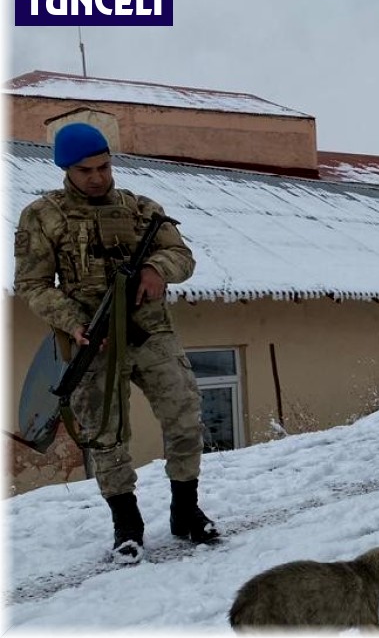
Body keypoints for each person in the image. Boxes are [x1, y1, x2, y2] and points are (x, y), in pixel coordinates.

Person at [13, 123, 219, 564]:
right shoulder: (42, 216)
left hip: (150, 331)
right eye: (85, 170)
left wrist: (157, 269)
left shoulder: (142, 209)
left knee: (185, 417)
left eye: (104, 167)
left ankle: (186, 509)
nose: (97, 177)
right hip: (94, 338)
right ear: (66, 169)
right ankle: (127, 525)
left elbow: (182, 256)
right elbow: (32, 284)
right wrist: (73, 322)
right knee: (105, 434)